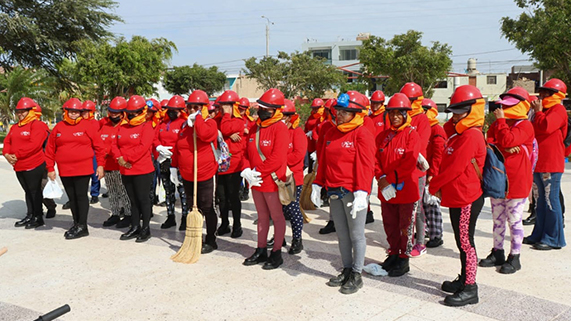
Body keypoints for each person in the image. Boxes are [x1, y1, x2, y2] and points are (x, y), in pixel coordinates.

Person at [312, 91, 375, 294]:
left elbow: (366, 165)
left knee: (356, 234)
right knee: (342, 233)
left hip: (352, 191)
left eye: (344, 112)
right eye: (338, 110)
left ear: (356, 113)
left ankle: (357, 274)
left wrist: (361, 192)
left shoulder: (362, 133)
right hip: (333, 189)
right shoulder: (331, 132)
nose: (339, 115)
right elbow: (324, 160)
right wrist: (317, 183)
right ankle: (347, 269)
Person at [429, 85, 486, 306]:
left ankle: (471, 288)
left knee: (465, 243)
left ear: (473, 110)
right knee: (461, 241)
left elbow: (455, 167)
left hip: (467, 198)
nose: (455, 115)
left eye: (460, 111)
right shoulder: (459, 132)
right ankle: (464, 279)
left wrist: (433, 185)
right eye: (454, 111)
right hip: (458, 196)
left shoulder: (471, 134)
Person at [480, 87, 534, 274]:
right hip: (498, 179)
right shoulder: (498, 124)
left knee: (514, 220)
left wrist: (502, 125)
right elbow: (492, 141)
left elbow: (508, 140)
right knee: (497, 219)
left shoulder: (525, 125)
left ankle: (515, 256)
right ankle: (498, 252)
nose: (503, 109)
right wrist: (505, 143)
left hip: (517, 181)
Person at [241, 88, 289, 270]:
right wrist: (246, 169)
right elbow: (246, 151)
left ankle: (276, 252)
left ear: (275, 110)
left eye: (265, 109)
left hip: (272, 180)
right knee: (261, 216)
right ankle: (261, 249)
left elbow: (277, 158)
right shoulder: (255, 127)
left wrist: (257, 171)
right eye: (260, 108)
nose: (260, 111)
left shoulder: (280, 128)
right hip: (255, 180)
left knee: (276, 217)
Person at [46, 98, 105, 239]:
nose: (74, 114)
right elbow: (50, 149)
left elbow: (99, 146)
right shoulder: (59, 128)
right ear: (65, 111)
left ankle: (83, 226)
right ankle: (76, 222)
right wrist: (50, 168)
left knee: (81, 196)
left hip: (83, 168)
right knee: (72, 197)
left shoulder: (87, 126)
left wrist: (101, 165)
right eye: (71, 111)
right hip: (65, 169)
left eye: (77, 112)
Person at [375, 93, 421, 277]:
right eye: (391, 113)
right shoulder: (382, 136)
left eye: (398, 113)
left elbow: (409, 163)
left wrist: (390, 178)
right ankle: (393, 253)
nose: (394, 117)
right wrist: (381, 178)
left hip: (405, 190)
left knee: (405, 226)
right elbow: (375, 160)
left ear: (405, 114)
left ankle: (404, 258)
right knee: (390, 224)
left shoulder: (412, 135)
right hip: (386, 190)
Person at [172, 92, 219, 253]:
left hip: (204, 174)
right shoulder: (185, 126)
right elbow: (178, 146)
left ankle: (211, 239)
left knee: (207, 206)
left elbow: (205, 135)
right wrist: (174, 166)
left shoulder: (210, 123)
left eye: (196, 107)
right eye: (190, 107)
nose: (192, 110)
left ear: (204, 108)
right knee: (194, 207)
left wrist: (198, 119)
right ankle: (196, 237)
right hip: (187, 175)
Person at [523, 78, 567, 250]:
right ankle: (539, 234)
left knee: (550, 200)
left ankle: (554, 238)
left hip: (551, 163)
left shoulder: (558, 110)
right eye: (541, 92)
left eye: (546, 93)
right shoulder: (542, 110)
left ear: (556, 95)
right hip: (538, 161)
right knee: (539, 201)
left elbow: (546, 126)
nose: (541, 95)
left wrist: (539, 113)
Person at [112, 95, 156, 242]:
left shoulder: (147, 126)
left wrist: (126, 158)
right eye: (130, 112)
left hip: (142, 169)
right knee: (132, 200)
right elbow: (114, 144)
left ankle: (146, 228)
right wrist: (119, 158)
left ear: (142, 111)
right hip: (126, 169)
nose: (132, 115)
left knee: (143, 199)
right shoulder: (122, 126)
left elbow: (143, 147)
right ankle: (135, 226)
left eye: (135, 112)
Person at [3, 97, 49, 229]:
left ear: (31, 111)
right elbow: (7, 141)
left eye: (24, 111)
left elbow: (34, 145)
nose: (20, 114)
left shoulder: (38, 125)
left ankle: (38, 217)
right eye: (18, 111)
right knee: (28, 191)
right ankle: (30, 214)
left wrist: (17, 155)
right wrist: (6, 154)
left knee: (35, 191)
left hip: (34, 164)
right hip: (19, 165)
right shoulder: (15, 127)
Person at [399, 82, 431, 258]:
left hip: (417, 170)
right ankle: (405, 240)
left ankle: (420, 242)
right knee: (403, 208)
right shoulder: (400, 116)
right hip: (402, 168)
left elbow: (421, 142)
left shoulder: (422, 119)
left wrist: (412, 151)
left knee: (416, 208)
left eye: (411, 100)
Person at [154, 95, 189, 230]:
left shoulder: (184, 123)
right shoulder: (162, 123)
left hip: (179, 163)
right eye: (170, 109)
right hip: (164, 161)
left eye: (175, 110)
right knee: (168, 190)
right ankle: (170, 216)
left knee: (182, 191)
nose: (171, 112)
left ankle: (185, 217)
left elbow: (184, 142)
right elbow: (155, 138)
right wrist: (159, 147)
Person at [216, 90, 246, 238]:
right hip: (220, 165)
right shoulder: (218, 120)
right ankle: (225, 223)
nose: (224, 108)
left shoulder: (239, 121)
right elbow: (215, 131)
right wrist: (225, 131)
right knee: (222, 197)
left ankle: (237, 225)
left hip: (234, 165)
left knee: (233, 197)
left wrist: (227, 116)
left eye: (227, 105)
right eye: (223, 106)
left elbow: (225, 129)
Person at [100, 97, 132, 227]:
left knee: (123, 191)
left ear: (123, 112)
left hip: (121, 165)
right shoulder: (104, 125)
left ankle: (129, 214)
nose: (113, 115)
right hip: (108, 165)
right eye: (111, 112)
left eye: (116, 112)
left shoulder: (126, 126)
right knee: (112, 191)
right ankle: (115, 213)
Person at [282, 99, 308, 254]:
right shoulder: (276, 130)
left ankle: (297, 239)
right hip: (277, 177)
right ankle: (279, 236)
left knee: (292, 209)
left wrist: (280, 161)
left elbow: (298, 155)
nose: (283, 118)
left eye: (286, 115)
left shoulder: (297, 132)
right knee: (278, 211)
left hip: (292, 177)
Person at [421, 99, 447, 248]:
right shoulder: (424, 127)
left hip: (431, 173)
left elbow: (438, 154)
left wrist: (433, 173)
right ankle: (425, 230)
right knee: (423, 205)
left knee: (432, 205)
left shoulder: (437, 130)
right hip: (423, 171)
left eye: (425, 109)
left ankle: (436, 234)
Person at [317, 99, 338, 235]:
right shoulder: (325, 126)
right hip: (328, 165)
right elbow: (320, 146)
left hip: (342, 168)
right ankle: (333, 221)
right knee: (332, 196)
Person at [238, 97, 254, 201]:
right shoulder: (235, 119)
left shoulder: (251, 121)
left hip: (246, 149)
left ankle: (246, 190)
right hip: (237, 149)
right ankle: (239, 189)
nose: (241, 111)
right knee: (238, 172)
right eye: (240, 108)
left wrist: (248, 131)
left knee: (247, 171)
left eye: (243, 109)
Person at [305, 98, 325, 173]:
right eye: (314, 108)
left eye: (317, 108)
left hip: (319, 145)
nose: (315, 110)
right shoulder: (311, 117)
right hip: (310, 145)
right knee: (310, 166)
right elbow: (306, 127)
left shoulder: (323, 118)